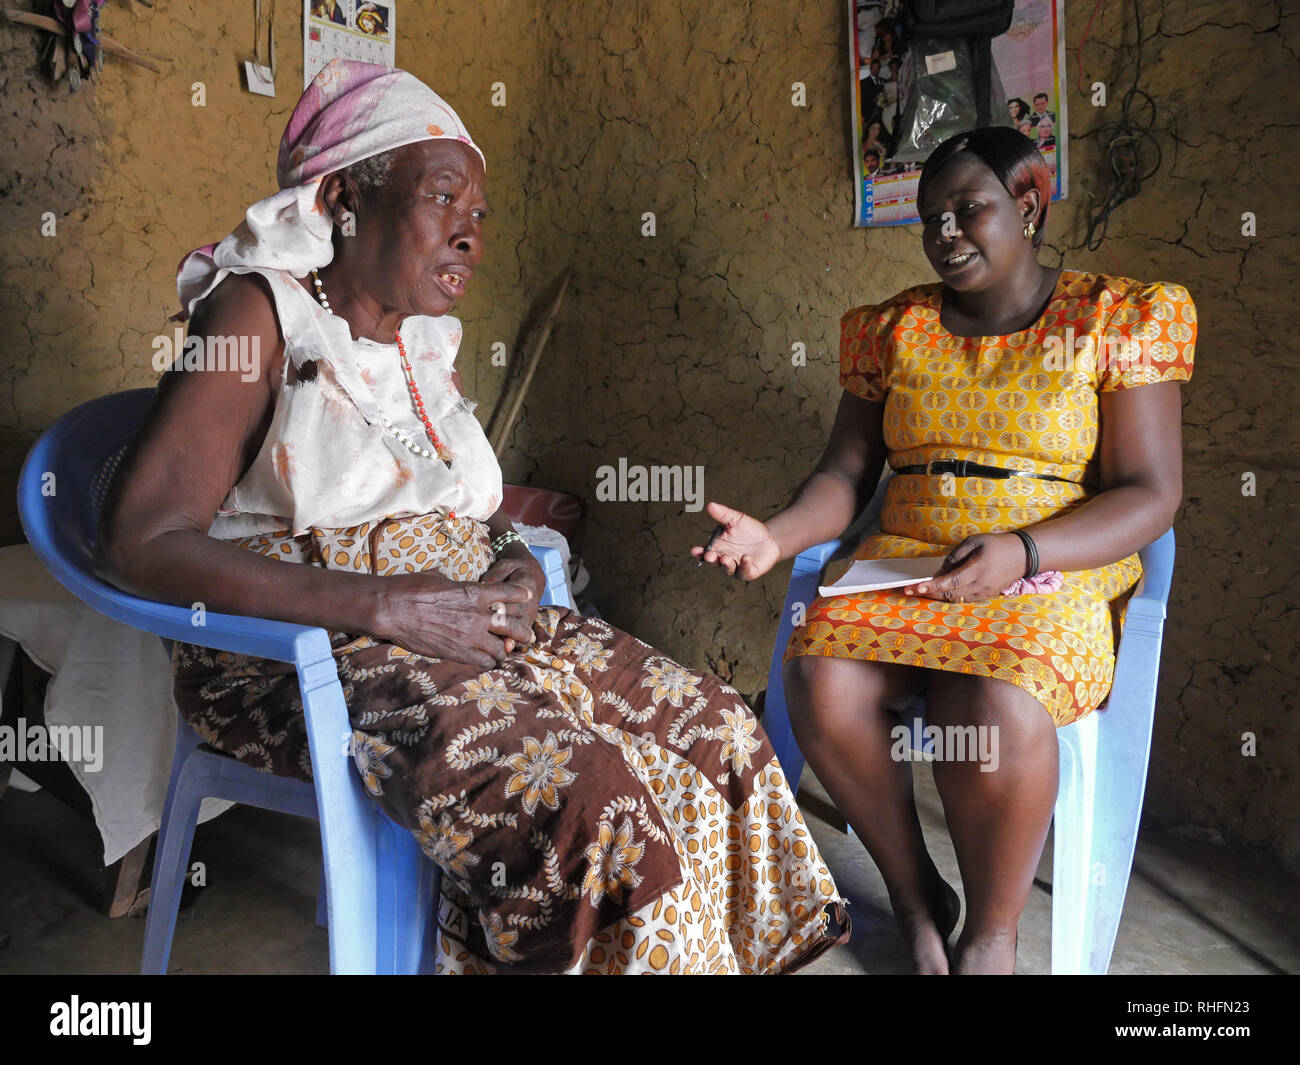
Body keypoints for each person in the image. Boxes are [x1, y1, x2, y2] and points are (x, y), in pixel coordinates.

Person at [95, 59, 849, 975]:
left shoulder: (422, 344)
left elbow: (460, 506)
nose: (469, 238)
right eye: (443, 198)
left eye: (479, 215)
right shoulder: (258, 313)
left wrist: (519, 564)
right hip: (299, 649)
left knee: (720, 731)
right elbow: (138, 540)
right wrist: (379, 605)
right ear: (341, 197)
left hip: (461, 620)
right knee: (587, 802)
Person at [694, 127, 1195, 974]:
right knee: (822, 673)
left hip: (1051, 569)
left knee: (989, 706)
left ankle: (990, 936)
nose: (947, 234)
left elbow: (1152, 492)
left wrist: (1026, 547)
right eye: (932, 220)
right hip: (908, 567)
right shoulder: (892, 329)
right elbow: (844, 480)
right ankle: (918, 892)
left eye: (970, 210)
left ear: (1029, 208)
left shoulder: (1117, 316)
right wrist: (776, 535)